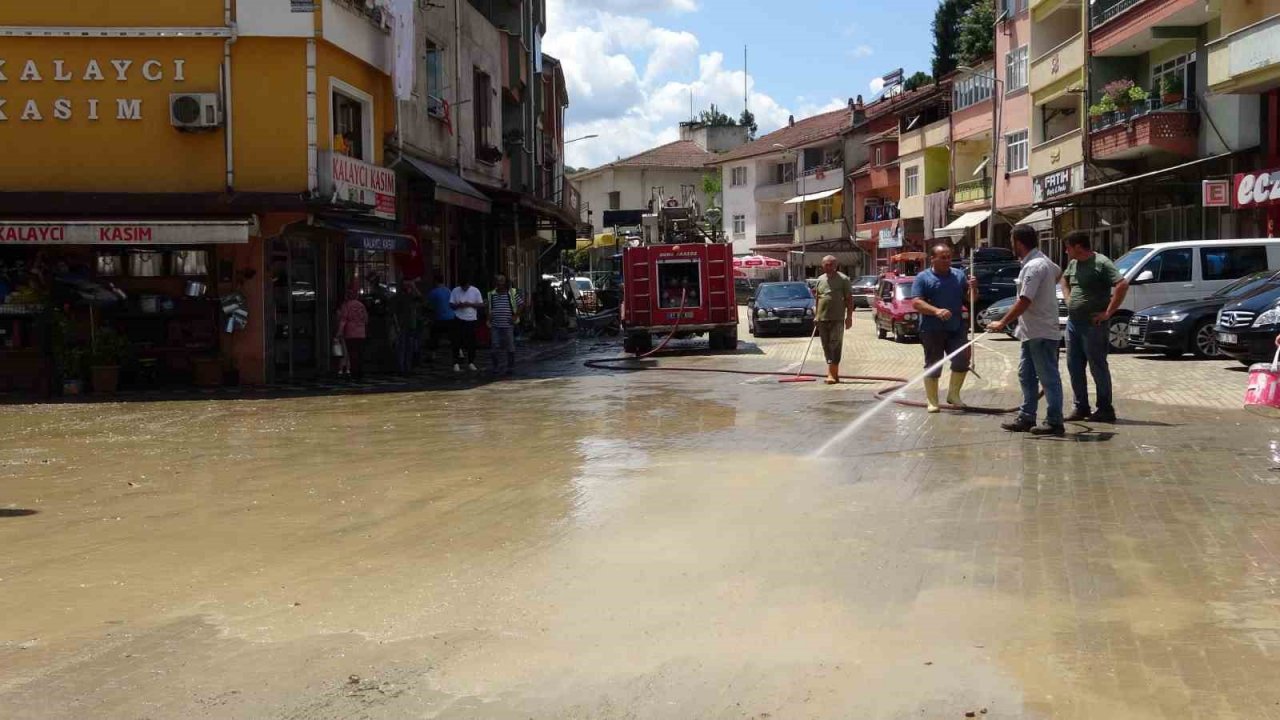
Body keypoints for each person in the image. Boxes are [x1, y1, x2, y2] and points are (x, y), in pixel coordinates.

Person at [990, 226, 1065, 436]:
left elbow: (1024, 301)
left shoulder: (1034, 266)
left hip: (1041, 332)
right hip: (1030, 332)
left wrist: (1001, 322)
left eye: (1012, 241)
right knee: (1026, 375)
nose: (1011, 245)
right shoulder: (1044, 262)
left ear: (1018, 243)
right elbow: (1059, 274)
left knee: (1048, 378)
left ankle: (1054, 421)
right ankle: (1026, 416)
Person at [1061, 231, 1128, 423]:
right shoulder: (1074, 264)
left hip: (1093, 325)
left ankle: (1105, 408)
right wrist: (1068, 298)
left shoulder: (1102, 263)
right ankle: (1081, 406)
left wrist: (1108, 312)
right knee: (1074, 366)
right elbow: (1064, 280)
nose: (1066, 251)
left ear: (1079, 247)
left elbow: (1122, 285)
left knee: (1097, 366)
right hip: (1073, 323)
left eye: (1068, 247)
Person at [911, 243, 978, 412]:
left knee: (962, 360)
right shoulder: (923, 278)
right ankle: (932, 401)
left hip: (956, 327)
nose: (947, 260)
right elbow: (916, 302)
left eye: (949, 257)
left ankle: (953, 395)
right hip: (931, 328)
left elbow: (971, 300)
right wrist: (936, 311)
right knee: (934, 364)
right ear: (932, 259)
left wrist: (974, 288)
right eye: (943, 257)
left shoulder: (959, 275)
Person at [814, 255, 855, 385]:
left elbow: (849, 299)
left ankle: (832, 373)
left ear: (836, 265)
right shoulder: (820, 280)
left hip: (837, 318)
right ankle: (833, 372)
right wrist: (816, 315)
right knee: (826, 345)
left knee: (835, 344)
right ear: (822, 266)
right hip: (822, 318)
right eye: (826, 264)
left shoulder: (843, 279)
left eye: (831, 264)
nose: (829, 267)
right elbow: (818, 298)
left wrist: (849, 317)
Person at [487, 274, 521, 375]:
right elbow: (489, 308)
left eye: (502, 281)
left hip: (508, 325)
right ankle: (495, 367)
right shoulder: (491, 294)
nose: (499, 283)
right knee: (494, 346)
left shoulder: (512, 293)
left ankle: (510, 367)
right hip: (495, 325)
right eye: (497, 281)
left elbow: (522, 304)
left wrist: (515, 316)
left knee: (510, 346)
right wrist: (488, 318)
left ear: (505, 282)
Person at [449, 276, 484, 372]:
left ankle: (471, 362)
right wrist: (458, 305)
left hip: (471, 318)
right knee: (456, 341)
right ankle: (456, 362)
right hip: (459, 318)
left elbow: (481, 304)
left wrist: (470, 304)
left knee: (471, 342)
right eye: (463, 287)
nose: (464, 289)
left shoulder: (475, 291)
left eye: (466, 287)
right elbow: (451, 304)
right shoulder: (455, 291)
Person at [335, 286, 369, 380]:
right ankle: (360, 372)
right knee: (360, 353)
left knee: (352, 354)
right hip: (361, 333)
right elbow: (366, 319)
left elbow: (343, 320)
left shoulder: (346, 305)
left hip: (350, 333)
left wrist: (339, 332)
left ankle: (354, 372)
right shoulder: (361, 305)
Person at [390, 280, 423, 374]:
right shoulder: (400, 298)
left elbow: (420, 298)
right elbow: (394, 314)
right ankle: (403, 368)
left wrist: (414, 287)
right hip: (404, 325)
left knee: (407, 348)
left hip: (409, 325)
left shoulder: (410, 297)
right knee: (404, 348)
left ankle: (406, 368)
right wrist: (397, 326)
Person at [425, 273, 455, 364]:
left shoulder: (434, 292)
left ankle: (433, 355)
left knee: (434, 336)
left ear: (435, 281)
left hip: (440, 318)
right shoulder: (448, 291)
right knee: (453, 337)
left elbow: (426, 303)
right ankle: (460, 353)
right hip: (451, 316)